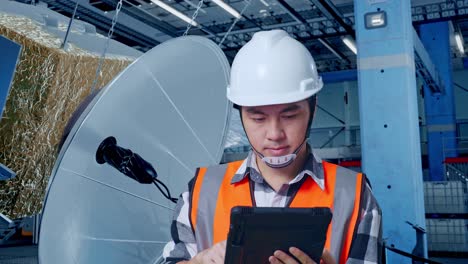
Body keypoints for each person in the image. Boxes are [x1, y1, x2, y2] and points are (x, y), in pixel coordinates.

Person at [162, 29, 382, 264]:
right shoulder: (201, 191)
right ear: (242, 116)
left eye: (289, 116)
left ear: (313, 109)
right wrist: (198, 261)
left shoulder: (354, 195)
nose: (274, 134)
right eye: (258, 119)